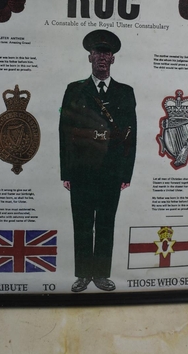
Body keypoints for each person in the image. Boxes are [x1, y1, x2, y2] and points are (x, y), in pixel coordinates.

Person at [59, 30, 137, 292]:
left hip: (111, 169)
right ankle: (83, 274)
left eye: (107, 53)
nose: (102, 57)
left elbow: (131, 135)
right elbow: (65, 132)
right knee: (82, 223)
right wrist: (66, 172)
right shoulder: (75, 90)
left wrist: (125, 174)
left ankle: (101, 275)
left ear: (113, 59)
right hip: (81, 168)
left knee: (105, 223)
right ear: (89, 57)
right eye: (97, 52)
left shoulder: (125, 92)